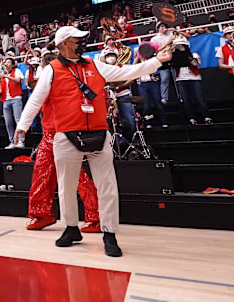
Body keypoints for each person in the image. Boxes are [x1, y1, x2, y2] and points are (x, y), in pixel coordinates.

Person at [14, 26, 172, 257]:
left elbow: (127, 71)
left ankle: (109, 233)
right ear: (65, 43)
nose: (82, 42)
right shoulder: (52, 70)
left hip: (99, 133)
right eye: (77, 39)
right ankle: (71, 228)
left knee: (107, 186)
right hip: (66, 136)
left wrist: (157, 61)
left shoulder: (94, 64)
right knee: (66, 187)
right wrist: (22, 125)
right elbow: (36, 100)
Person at [26, 47, 101, 233]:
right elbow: (31, 86)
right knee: (41, 173)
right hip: (49, 134)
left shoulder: (61, 80)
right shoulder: (46, 81)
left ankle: (97, 216)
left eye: (43, 66)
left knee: (77, 177)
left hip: (63, 133)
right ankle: (42, 214)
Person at [171, 37, 212, 125]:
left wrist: (186, 55)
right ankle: (191, 118)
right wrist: (173, 50)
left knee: (199, 98)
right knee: (186, 100)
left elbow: (196, 64)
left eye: (182, 46)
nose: (180, 48)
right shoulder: (174, 57)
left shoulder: (194, 55)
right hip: (181, 79)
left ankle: (206, 116)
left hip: (194, 78)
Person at [151, 22, 190, 104]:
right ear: (158, 28)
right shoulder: (154, 39)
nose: (164, 28)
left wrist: (176, 31)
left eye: (165, 26)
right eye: (161, 26)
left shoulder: (171, 34)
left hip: (174, 58)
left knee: (178, 79)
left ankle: (181, 96)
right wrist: (167, 43)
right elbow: (156, 51)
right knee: (164, 79)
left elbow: (188, 37)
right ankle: (164, 97)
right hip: (163, 60)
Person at [101, 48, 136, 141]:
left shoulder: (122, 67)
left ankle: (132, 140)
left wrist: (119, 85)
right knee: (114, 120)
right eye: (108, 56)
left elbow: (131, 79)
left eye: (112, 55)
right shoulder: (104, 69)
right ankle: (119, 141)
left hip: (124, 94)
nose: (110, 58)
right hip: (109, 97)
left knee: (129, 119)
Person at [0, 58, 25, 149]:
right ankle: (12, 142)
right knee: (8, 122)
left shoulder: (16, 71)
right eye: (5, 62)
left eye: (8, 62)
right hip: (6, 100)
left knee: (18, 120)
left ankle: (21, 141)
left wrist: (6, 77)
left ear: (13, 65)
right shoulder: (3, 74)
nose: (6, 63)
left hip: (16, 98)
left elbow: (18, 80)